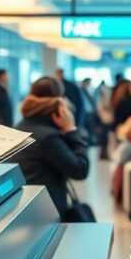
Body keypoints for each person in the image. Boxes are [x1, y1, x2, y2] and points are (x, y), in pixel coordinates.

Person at [13, 77, 90, 216]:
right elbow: (80, 170)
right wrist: (71, 130)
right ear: (60, 105)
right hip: (47, 214)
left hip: (25, 209)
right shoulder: (48, 138)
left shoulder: (20, 127)